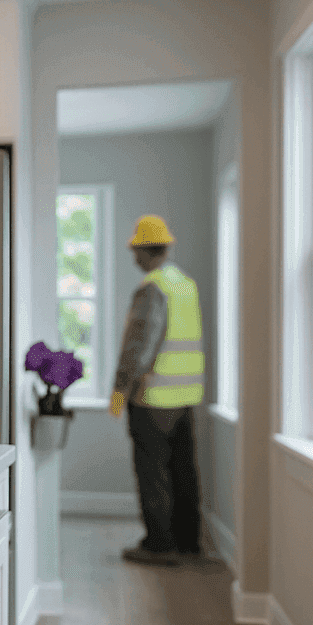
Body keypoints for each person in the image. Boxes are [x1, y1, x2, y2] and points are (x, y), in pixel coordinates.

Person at [108, 215, 206, 567]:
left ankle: (159, 545)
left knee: (152, 472)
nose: (133, 258)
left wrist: (120, 390)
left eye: (135, 250)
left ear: (144, 251)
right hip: (185, 397)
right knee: (184, 471)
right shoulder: (185, 284)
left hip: (153, 397)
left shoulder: (152, 287)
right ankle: (188, 544)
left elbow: (139, 345)